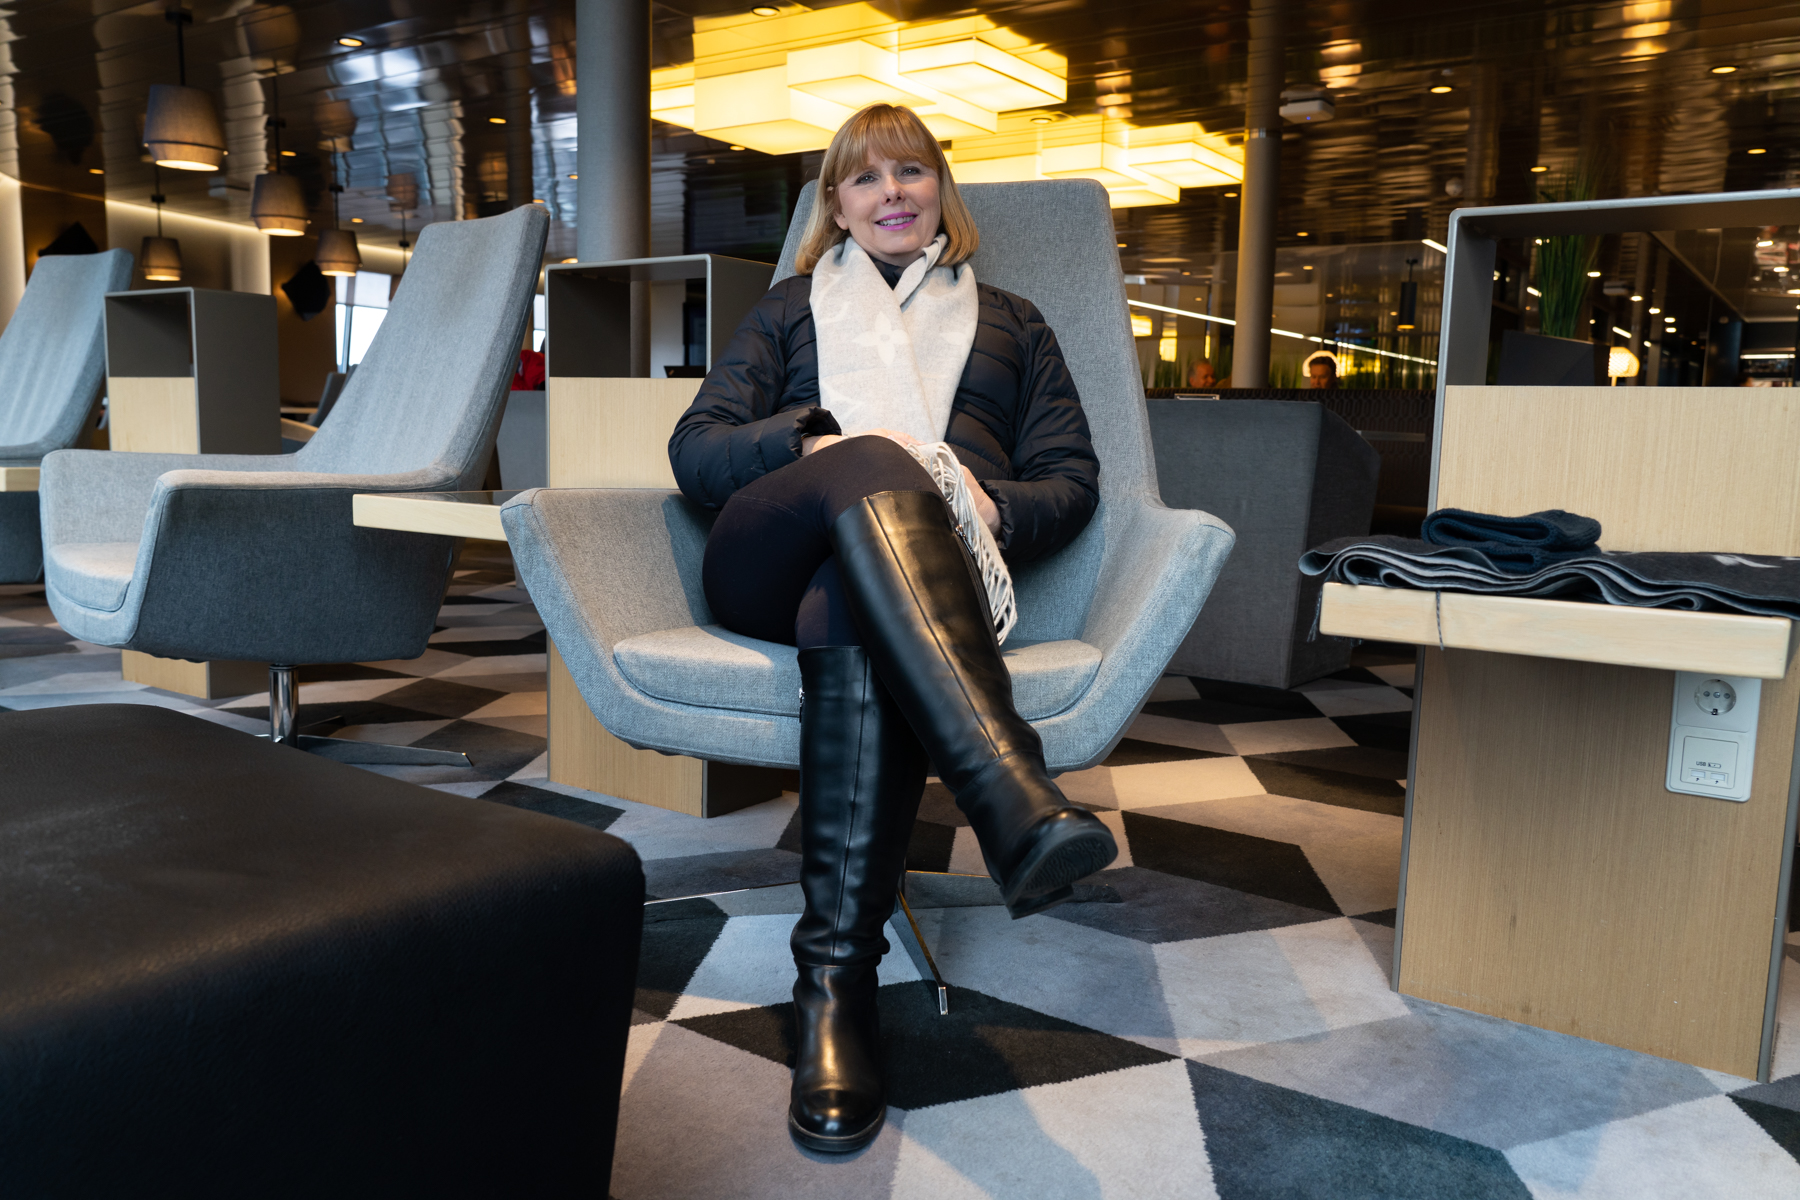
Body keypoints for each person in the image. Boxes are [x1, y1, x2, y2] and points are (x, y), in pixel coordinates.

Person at [668, 103, 1117, 1154]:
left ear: (941, 192)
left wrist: (988, 504)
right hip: (762, 559)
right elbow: (697, 451)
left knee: (856, 600)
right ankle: (1012, 791)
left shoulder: (1016, 323)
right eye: (866, 180)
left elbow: (1074, 482)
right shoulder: (787, 311)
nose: (893, 195)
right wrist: (826, 440)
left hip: (912, 581)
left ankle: (834, 989)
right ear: (836, 206)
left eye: (911, 173)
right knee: (877, 459)